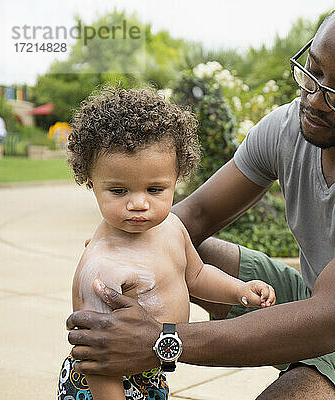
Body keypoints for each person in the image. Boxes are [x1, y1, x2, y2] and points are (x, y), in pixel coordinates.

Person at [66, 1, 335, 399]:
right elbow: (194, 215)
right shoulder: (290, 125)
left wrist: (162, 340)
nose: (316, 100)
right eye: (314, 72)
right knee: (177, 244)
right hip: (313, 300)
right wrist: (115, 250)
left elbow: (330, 320)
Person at [58, 87, 276, 400]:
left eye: (155, 190)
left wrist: (238, 290)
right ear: (91, 183)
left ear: (176, 180)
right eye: (119, 191)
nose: (138, 204)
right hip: (106, 383)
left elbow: (196, 276)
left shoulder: (171, 227)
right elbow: (95, 357)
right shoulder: (102, 268)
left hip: (149, 367)